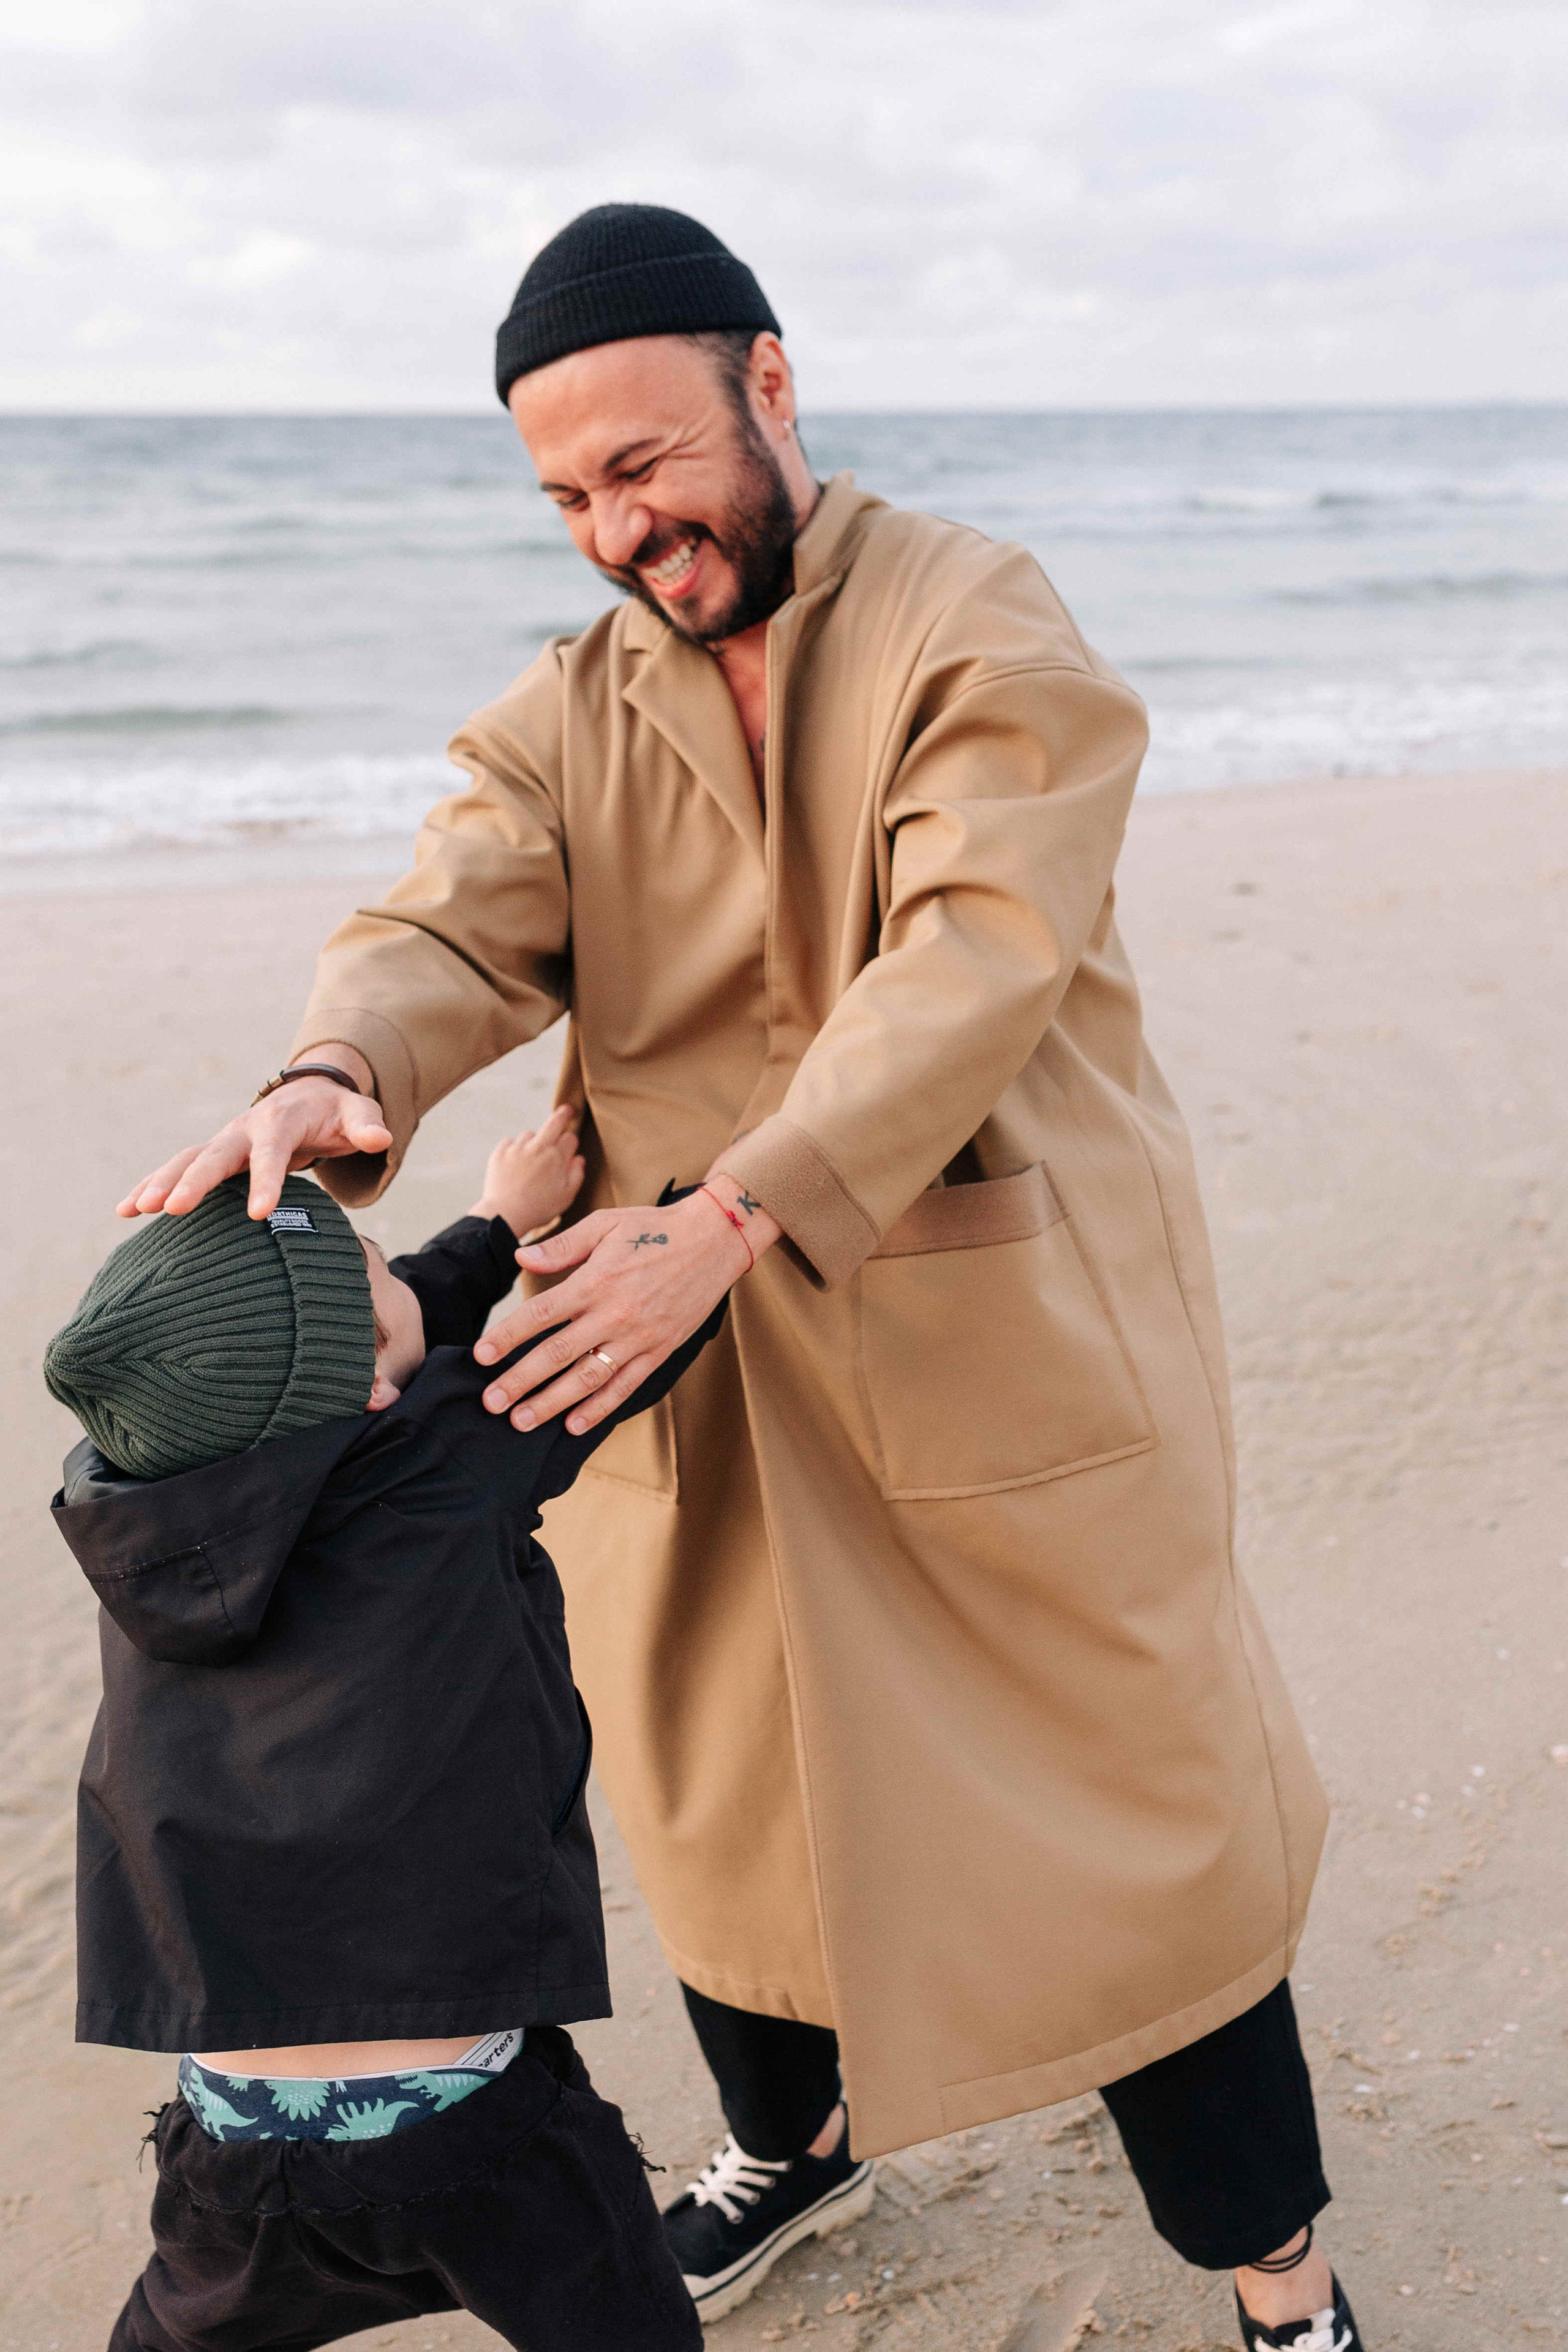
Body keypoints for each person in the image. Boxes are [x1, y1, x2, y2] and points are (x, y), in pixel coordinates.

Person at [117, 206, 1368, 2350]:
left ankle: (1283, 2281)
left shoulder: (982, 619)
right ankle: (790, 2140)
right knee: (728, 1805)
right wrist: (340, 1067)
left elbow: (976, 954)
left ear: (768, 386)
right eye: (570, 498)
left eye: (646, 469)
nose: (619, 531)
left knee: (1128, 1829)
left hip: (990, 1320)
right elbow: (452, 917)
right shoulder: (575, 703)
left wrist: (740, 1212)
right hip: (664, 1344)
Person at [47, 1111, 718, 2352]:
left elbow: (350, 1334)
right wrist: (720, 1206)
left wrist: (492, 1229)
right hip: (462, 2124)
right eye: (372, 1266)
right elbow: (620, 1333)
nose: (397, 1266)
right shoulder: (437, 1469)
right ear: (366, 1391)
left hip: (235, 2134)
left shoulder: (142, 1511)